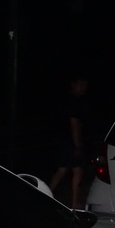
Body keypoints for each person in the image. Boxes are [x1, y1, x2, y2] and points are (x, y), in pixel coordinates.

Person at [48, 75, 91, 209]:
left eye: (85, 85)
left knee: (61, 170)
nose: (84, 88)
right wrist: (77, 144)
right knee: (77, 171)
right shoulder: (74, 102)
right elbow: (74, 124)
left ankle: (45, 194)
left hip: (62, 141)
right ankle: (74, 203)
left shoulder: (66, 100)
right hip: (70, 142)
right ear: (74, 84)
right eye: (81, 84)